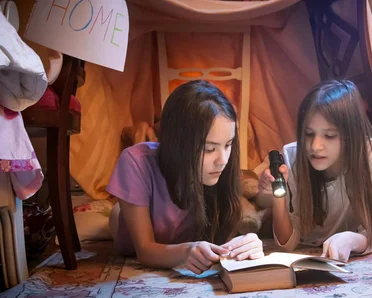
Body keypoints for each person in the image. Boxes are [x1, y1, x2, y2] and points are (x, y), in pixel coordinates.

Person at [107, 80, 263, 274]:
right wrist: (185, 251)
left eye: (228, 144)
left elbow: (220, 239)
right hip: (131, 225)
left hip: (179, 231)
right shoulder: (136, 161)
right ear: (178, 144)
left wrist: (244, 245)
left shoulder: (221, 168)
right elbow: (144, 250)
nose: (222, 160)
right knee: (113, 216)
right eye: (209, 149)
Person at [256, 79, 372, 262]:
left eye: (329, 135)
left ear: (351, 135)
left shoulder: (369, 153)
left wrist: (350, 240)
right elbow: (286, 244)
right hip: (305, 244)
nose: (315, 146)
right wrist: (278, 197)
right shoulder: (292, 155)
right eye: (309, 134)